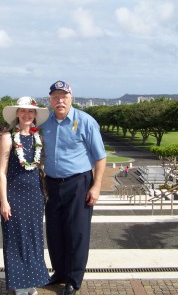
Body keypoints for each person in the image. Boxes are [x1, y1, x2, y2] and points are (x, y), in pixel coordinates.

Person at [42, 81, 106, 295]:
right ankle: (59, 272)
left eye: (64, 96)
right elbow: (22, 134)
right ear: (50, 100)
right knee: (54, 231)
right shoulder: (45, 122)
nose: (60, 100)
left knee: (77, 232)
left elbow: (100, 157)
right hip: (52, 184)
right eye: (55, 97)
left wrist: (96, 187)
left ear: (71, 98)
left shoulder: (85, 121)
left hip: (78, 183)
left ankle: (73, 278)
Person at [0, 96, 50, 295]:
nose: (27, 114)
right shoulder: (9, 138)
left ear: (35, 115)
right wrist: (4, 201)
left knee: (34, 239)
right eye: (23, 111)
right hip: (14, 195)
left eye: (31, 111)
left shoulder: (39, 137)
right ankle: (19, 284)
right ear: (17, 114)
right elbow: (1, 172)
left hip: (35, 195)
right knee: (15, 238)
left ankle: (32, 282)